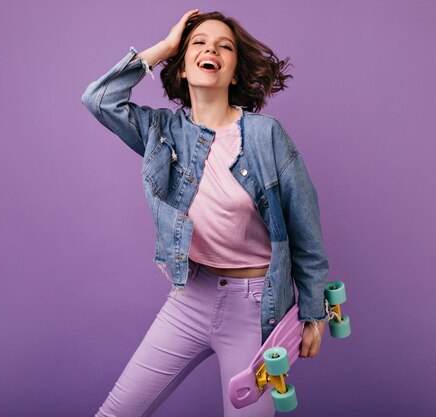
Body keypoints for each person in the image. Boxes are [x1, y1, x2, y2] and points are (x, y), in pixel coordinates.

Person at [81, 9, 330, 417]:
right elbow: (99, 99)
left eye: (224, 46)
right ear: (181, 68)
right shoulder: (162, 132)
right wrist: (165, 46)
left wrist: (314, 313)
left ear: (233, 73)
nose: (210, 48)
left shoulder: (267, 136)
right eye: (198, 43)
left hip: (255, 309)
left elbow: (306, 229)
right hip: (189, 298)